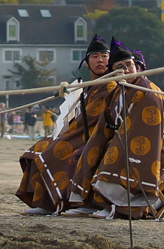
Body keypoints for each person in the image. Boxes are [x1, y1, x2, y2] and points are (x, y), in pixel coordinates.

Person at [66, 39, 164, 219]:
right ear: (113, 71)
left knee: (115, 153)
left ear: (137, 67)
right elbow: (103, 127)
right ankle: (90, 202)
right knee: (90, 151)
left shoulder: (148, 91)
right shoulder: (115, 92)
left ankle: (122, 205)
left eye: (128, 65)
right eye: (119, 66)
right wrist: (93, 145)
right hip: (124, 139)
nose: (125, 69)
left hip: (161, 144)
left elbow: (146, 129)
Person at [16, 35, 117, 215]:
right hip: (80, 132)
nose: (100, 60)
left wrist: (67, 135)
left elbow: (96, 120)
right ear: (87, 63)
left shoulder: (111, 85)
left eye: (104, 56)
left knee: (52, 151)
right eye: (95, 56)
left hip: (97, 135)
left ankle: (65, 202)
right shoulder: (89, 86)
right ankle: (45, 203)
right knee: (38, 148)